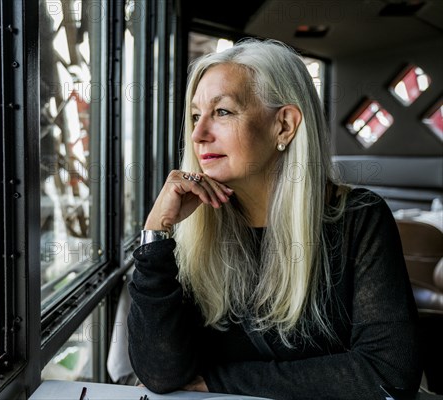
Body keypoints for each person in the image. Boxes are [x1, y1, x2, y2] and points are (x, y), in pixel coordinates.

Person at [127, 38, 421, 399]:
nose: (199, 135)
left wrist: (221, 381)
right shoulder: (192, 224)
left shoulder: (360, 220)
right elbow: (160, 373)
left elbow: (387, 372)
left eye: (222, 112)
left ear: (283, 125)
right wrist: (156, 233)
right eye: (194, 116)